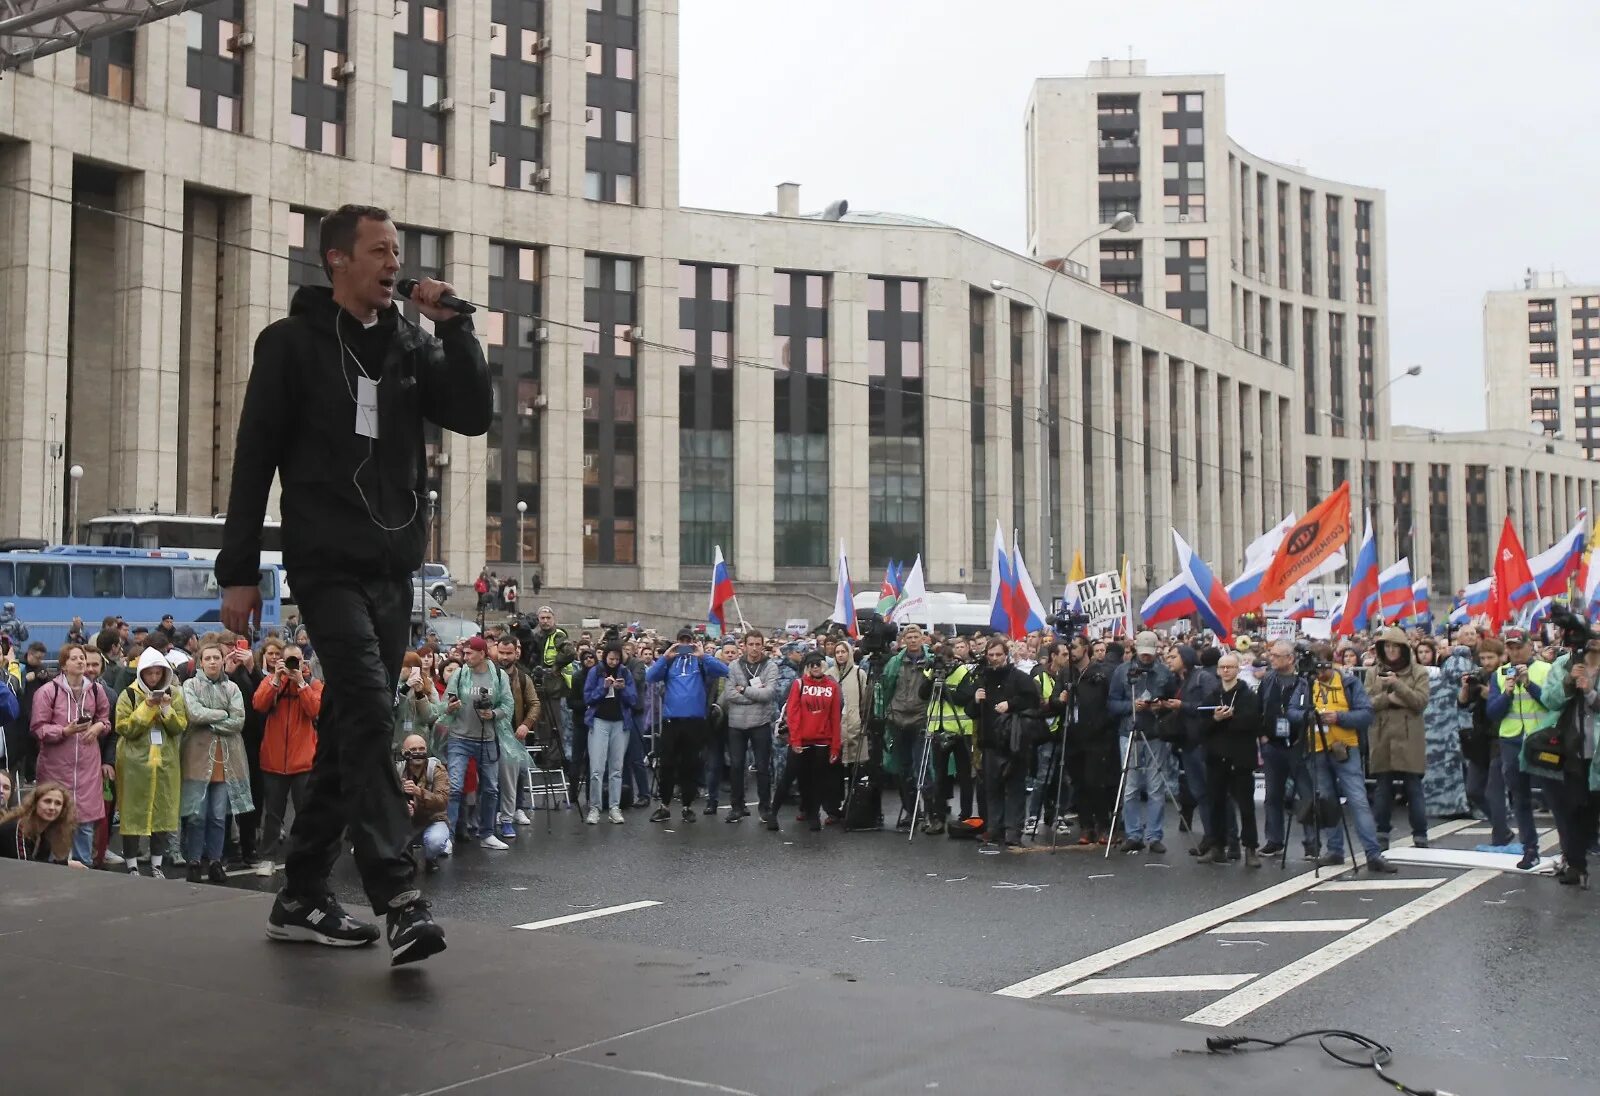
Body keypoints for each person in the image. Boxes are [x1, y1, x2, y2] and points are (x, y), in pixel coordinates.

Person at [217, 203, 489, 962]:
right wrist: (237, 571)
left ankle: (301, 892)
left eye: (398, 250)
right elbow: (252, 460)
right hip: (325, 563)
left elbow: (472, 414)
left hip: (393, 567)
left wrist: (455, 329)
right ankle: (400, 897)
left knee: (348, 729)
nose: (393, 263)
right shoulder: (290, 346)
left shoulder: (407, 343)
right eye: (378, 250)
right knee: (369, 707)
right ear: (337, 260)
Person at [1292, 643, 1396, 872]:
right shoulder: (1306, 684)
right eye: (1316, 670)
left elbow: (1366, 713)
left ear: (1333, 663)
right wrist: (1309, 716)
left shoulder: (1349, 682)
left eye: (1324, 668)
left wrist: (1338, 718)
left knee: (1357, 800)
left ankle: (1373, 853)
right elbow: (1292, 711)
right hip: (1316, 749)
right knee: (1327, 800)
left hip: (1345, 749)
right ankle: (1335, 850)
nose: (1320, 674)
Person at [29, 642, 112, 865]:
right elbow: (38, 728)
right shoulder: (48, 691)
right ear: (63, 664)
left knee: (84, 823)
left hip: (87, 767)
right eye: (74, 658)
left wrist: (98, 727)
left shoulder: (96, 690)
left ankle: (84, 866)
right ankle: (53, 865)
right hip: (56, 767)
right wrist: (64, 731)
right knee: (54, 819)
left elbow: (106, 720)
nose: (81, 661)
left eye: (82, 658)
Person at [114, 647, 191, 877]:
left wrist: (166, 708)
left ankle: (156, 865)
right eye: (150, 673)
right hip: (134, 764)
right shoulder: (128, 695)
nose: (154, 678)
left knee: (162, 815)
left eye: (159, 673)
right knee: (133, 815)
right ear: (142, 673)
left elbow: (179, 726)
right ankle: (132, 865)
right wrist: (146, 708)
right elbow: (125, 727)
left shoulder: (174, 694)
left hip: (165, 763)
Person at [179, 641, 251, 884]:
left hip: (226, 759)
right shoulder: (189, 685)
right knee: (196, 815)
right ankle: (194, 861)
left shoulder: (232, 688)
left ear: (223, 661)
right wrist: (223, 715)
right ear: (200, 662)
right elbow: (194, 713)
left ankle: (216, 861)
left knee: (219, 816)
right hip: (197, 759)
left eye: (216, 658)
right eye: (207, 658)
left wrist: (210, 720)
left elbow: (239, 721)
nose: (212, 662)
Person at [437, 636, 515, 850]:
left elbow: (508, 706)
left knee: (490, 788)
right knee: (454, 787)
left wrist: (493, 713)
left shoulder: (498, 675)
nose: (465, 657)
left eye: (470, 653)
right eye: (464, 653)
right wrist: (450, 707)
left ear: (482, 654)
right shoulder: (461, 674)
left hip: (487, 738)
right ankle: (448, 838)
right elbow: (446, 703)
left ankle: (487, 833)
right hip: (459, 738)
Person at [251, 646, 323, 877]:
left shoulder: (313, 684)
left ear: (305, 662)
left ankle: (307, 857)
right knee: (273, 813)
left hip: (303, 761)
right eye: (289, 660)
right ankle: (268, 858)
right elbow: (259, 705)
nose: (294, 665)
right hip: (273, 760)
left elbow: (315, 710)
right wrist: (276, 679)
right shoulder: (272, 681)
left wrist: (300, 683)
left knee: (306, 813)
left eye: (298, 660)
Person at [645, 629, 729, 824]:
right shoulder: (670, 661)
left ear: (693, 642)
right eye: (681, 640)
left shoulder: (700, 662)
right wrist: (665, 657)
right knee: (666, 765)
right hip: (671, 721)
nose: (685, 644)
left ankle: (687, 806)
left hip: (694, 722)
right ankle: (664, 806)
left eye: (688, 641)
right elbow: (651, 677)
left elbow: (724, 671)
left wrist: (703, 655)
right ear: (676, 642)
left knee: (690, 765)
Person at [1108, 631, 1178, 854]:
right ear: (1136, 649)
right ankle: (1133, 834)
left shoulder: (1165, 673)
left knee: (1156, 786)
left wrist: (1161, 707)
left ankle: (1155, 835)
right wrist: (1131, 706)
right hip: (1128, 732)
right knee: (1130, 787)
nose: (1146, 657)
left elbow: (1171, 702)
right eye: (1143, 653)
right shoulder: (1122, 671)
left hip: (1154, 732)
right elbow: (1111, 704)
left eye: (1150, 654)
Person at [1483, 630, 1547, 870]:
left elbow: (1551, 702)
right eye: (1510, 648)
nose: (1515, 652)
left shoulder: (1545, 669)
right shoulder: (1500, 675)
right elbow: (1493, 712)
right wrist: (1508, 692)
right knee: (1520, 798)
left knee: (1554, 796)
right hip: (1511, 740)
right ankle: (1530, 849)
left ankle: (1570, 850)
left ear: (1530, 647)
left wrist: (1529, 684)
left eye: (1519, 647)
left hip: (1541, 738)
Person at [1364, 627, 1431, 850]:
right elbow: (1366, 703)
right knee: (1383, 787)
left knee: (1413, 787)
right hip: (1382, 734)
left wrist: (1397, 686)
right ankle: (1381, 833)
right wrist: (1389, 697)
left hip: (1409, 734)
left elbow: (1420, 702)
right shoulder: (1373, 673)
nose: (1391, 651)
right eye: (1387, 647)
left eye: (1395, 646)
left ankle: (1420, 835)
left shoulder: (1418, 672)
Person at [973, 636, 1041, 846]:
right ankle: (995, 828)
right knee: (992, 787)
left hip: (1013, 740)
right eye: (991, 655)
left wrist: (1010, 704)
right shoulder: (981, 677)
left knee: (1014, 787)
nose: (994, 659)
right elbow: (970, 710)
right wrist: (975, 699)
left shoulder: (1019, 677)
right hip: (989, 739)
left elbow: (1033, 700)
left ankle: (1013, 831)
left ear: (1006, 655)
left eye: (998, 655)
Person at [1256, 640, 1313, 859]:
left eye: (1276, 656)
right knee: (1273, 795)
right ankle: (1274, 840)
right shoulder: (1269, 680)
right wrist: (1262, 736)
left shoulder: (1304, 682)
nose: (1271, 659)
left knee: (1306, 794)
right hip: (1272, 744)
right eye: (1271, 655)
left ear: (1290, 658)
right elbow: (1259, 707)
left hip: (1298, 744)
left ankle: (1312, 843)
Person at [1203, 653, 1262, 868]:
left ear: (1237, 669)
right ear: (1218, 670)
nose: (1226, 671)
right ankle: (1217, 846)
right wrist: (1216, 719)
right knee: (1216, 803)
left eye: (1230, 667)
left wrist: (1228, 719)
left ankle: (1250, 848)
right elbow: (1202, 727)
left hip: (1240, 758)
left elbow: (1252, 722)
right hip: (1217, 757)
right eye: (1222, 667)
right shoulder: (1212, 695)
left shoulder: (1248, 695)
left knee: (1246, 806)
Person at [876, 625, 933, 830]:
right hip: (898, 719)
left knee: (923, 768)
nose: (912, 640)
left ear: (922, 638)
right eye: (908, 637)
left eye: (916, 636)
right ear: (903, 640)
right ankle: (910, 811)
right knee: (903, 770)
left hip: (921, 719)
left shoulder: (931, 661)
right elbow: (886, 687)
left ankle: (929, 812)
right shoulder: (894, 662)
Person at [723, 630, 781, 827]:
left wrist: (745, 690)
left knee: (763, 767)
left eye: (758, 644)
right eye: (751, 644)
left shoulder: (770, 666)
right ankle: (737, 806)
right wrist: (755, 694)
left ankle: (765, 807)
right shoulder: (733, 666)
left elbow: (769, 694)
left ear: (762, 645)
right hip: (736, 724)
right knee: (737, 766)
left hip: (760, 723)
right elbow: (730, 694)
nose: (755, 648)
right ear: (744, 645)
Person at [921, 641, 980, 836]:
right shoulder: (933, 671)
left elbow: (965, 698)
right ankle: (938, 817)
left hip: (960, 729)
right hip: (938, 729)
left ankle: (965, 816)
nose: (945, 665)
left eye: (947, 661)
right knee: (939, 775)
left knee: (964, 775)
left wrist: (946, 689)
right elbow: (922, 694)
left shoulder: (963, 672)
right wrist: (932, 679)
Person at [1064, 636, 1118, 845]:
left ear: (1085, 649)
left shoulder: (1101, 673)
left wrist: (1101, 726)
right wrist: (1059, 700)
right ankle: (1086, 826)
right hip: (1073, 736)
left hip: (1097, 737)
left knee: (1095, 782)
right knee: (1078, 783)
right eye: (1069, 648)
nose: (1071, 652)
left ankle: (1103, 825)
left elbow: (1109, 704)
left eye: (1075, 647)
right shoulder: (1067, 673)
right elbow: (1054, 702)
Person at [1456, 638, 1509, 846]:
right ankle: (1501, 828)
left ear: (1501, 657)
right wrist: (1466, 689)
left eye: (1490, 657)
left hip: (1500, 736)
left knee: (1494, 791)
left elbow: (1508, 702)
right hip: (1480, 738)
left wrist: (1491, 695)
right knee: (1474, 790)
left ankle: (1500, 836)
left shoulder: (1505, 675)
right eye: (1483, 658)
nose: (1486, 662)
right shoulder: (1480, 676)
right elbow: (1462, 703)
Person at [783, 651, 842, 832]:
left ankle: (814, 813)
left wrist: (835, 746)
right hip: (802, 739)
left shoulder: (832, 686)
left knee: (818, 779)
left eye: (819, 663)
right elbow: (792, 714)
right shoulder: (799, 684)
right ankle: (805, 808)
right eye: (812, 664)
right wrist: (795, 740)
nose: (816, 667)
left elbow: (835, 717)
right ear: (807, 667)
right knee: (802, 777)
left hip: (822, 740)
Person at [582, 644, 638, 825]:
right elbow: (588, 698)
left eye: (616, 659)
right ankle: (595, 807)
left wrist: (623, 689)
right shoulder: (595, 672)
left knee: (616, 768)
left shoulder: (626, 672)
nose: (613, 663)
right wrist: (604, 688)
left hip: (620, 723)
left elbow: (634, 699)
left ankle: (615, 807)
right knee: (597, 768)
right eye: (610, 659)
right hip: (599, 721)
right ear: (605, 657)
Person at [1417, 637, 1469, 818]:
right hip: (1436, 728)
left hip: (1453, 726)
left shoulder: (1448, 672)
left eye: (1427, 651)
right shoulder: (1425, 675)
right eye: (1420, 652)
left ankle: (1457, 803)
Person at [396, 734, 451, 872]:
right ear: (404, 752)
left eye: (421, 748)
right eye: (413, 749)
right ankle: (404, 858)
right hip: (406, 822)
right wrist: (401, 808)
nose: (418, 752)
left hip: (432, 820)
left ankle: (430, 858)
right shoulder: (397, 770)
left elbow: (442, 802)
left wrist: (418, 792)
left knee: (435, 842)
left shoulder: (436, 769)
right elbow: (384, 800)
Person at [0, 782, 77, 864]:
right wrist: (66, 864)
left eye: (58, 803)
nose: (52, 807)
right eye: (47, 801)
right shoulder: (17, 828)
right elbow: (24, 866)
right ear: (35, 803)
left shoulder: (45, 832)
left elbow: (41, 864)